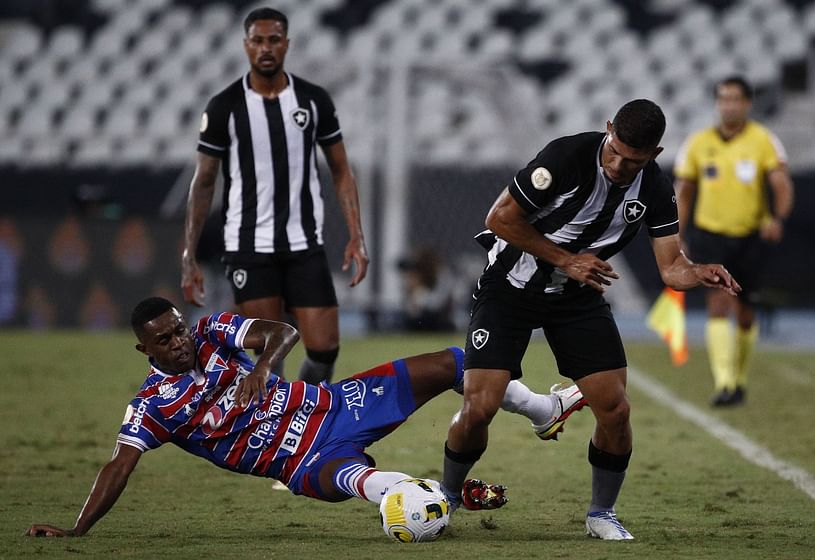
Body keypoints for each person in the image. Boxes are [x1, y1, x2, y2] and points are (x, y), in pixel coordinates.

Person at [24, 296, 588, 538]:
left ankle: (544, 409)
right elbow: (119, 465)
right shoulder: (153, 408)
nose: (178, 341)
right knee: (356, 480)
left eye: (180, 329)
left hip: (335, 405)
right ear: (146, 351)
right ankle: (423, 498)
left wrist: (264, 367)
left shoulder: (217, 331)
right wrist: (79, 527)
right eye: (164, 340)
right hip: (302, 461)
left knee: (451, 362)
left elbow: (282, 331)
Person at [439, 99, 741, 541]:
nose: (619, 164)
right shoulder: (566, 157)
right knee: (480, 406)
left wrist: (697, 272)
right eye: (615, 150)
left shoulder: (654, 189)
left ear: (654, 155)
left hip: (577, 295)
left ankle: (602, 512)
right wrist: (567, 259)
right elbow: (499, 219)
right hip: (510, 286)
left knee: (615, 408)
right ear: (608, 130)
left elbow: (672, 267)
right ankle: (446, 497)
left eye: (633, 160)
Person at [181, 7, 369, 385]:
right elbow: (204, 181)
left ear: (287, 44)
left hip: (303, 243)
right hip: (248, 246)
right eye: (258, 40)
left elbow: (341, 171)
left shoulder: (313, 100)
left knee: (325, 347)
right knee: (269, 349)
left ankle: (304, 411)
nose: (265, 48)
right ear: (246, 45)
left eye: (274, 40)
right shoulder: (224, 107)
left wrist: (356, 234)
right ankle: (277, 432)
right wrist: (190, 252)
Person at [674, 76, 794, 407]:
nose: (728, 105)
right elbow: (684, 192)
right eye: (723, 99)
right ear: (717, 103)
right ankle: (724, 382)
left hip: (750, 236)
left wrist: (777, 218)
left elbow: (781, 184)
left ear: (747, 103)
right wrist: (678, 234)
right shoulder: (697, 143)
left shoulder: (764, 141)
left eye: (735, 99)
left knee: (745, 312)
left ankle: (738, 378)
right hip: (710, 234)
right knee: (717, 303)